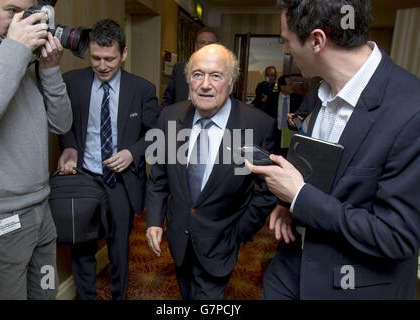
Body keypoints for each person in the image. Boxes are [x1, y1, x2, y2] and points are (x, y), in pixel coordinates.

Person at [247, 0, 420, 299]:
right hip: (289, 270)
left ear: (316, 40)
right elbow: (327, 180)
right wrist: (291, 207)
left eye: (287, 40)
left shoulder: (411, 110)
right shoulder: (318, 93)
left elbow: (396, 237)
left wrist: (299, 197)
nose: (286, 50)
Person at [146, 44, 278, 300]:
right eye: (198, 74)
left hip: (222, 240)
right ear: (188, 81)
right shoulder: (169, 117)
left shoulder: (257, 125)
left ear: (231, 82)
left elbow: (266, 190)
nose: (205, 84)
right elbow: (158, 178)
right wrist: (153, 220)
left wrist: (239, 231)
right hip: (179, 238)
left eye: (216, 76)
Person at [57, 18, 160, 300]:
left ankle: (119, 295)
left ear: (124, 53)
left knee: (118, 251)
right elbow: (63, 124)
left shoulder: (143, 89)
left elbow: (156, 136)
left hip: (121, 183)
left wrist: (133, 153)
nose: (102, 65)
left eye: (110, 59)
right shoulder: (72, 83)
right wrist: (70, 147)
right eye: (96, 58)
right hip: (85, 179)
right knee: (82, 247)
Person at [0, 0, 72, 299]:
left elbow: (61, 123)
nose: (19, 21)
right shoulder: (13, 49)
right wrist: (16, 49)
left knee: (46, 291)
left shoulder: (27, 54)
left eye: (25, 12)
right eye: (10, 10)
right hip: (1, 218)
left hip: (41, 209)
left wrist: (50, 68)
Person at [161, 27, 218, 108]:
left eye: (210, 43)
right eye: (203, 42)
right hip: (180, 118)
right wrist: (170, 121)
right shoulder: (179, 69)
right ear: (196, 46)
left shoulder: (222, 70)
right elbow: (168, 100)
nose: (206, 46)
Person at [269, 74, 302, 155]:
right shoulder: (272, 97)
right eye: (290, 84)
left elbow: (299, 117)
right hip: (276, 133)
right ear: (282, 86)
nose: (292, 86)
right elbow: (267, 114)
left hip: (290, 133)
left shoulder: (297, 98)